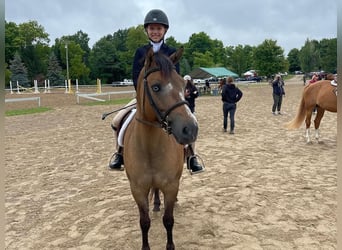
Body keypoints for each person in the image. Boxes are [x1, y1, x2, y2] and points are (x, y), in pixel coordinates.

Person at [108, 9, 204, 174]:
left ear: (164, 30)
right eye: (152, 29)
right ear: (147, 31)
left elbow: (175, 77)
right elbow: (135, 76)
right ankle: (119, 153)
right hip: (145, 98)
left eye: (158, 29)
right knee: (117, 120)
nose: (155, 32)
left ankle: (191, 156)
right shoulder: (140, 52)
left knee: (190, 120)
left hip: (168, 99)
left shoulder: (171, 51)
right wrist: (142, 96)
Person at [183, 75, 204, 173]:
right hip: (177, 110)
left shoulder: (192, 87)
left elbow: (196, 94)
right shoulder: (180, 85)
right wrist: (183, 95)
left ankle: (191, 158)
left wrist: (190, 94)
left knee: (193, 129)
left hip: (189, 109)